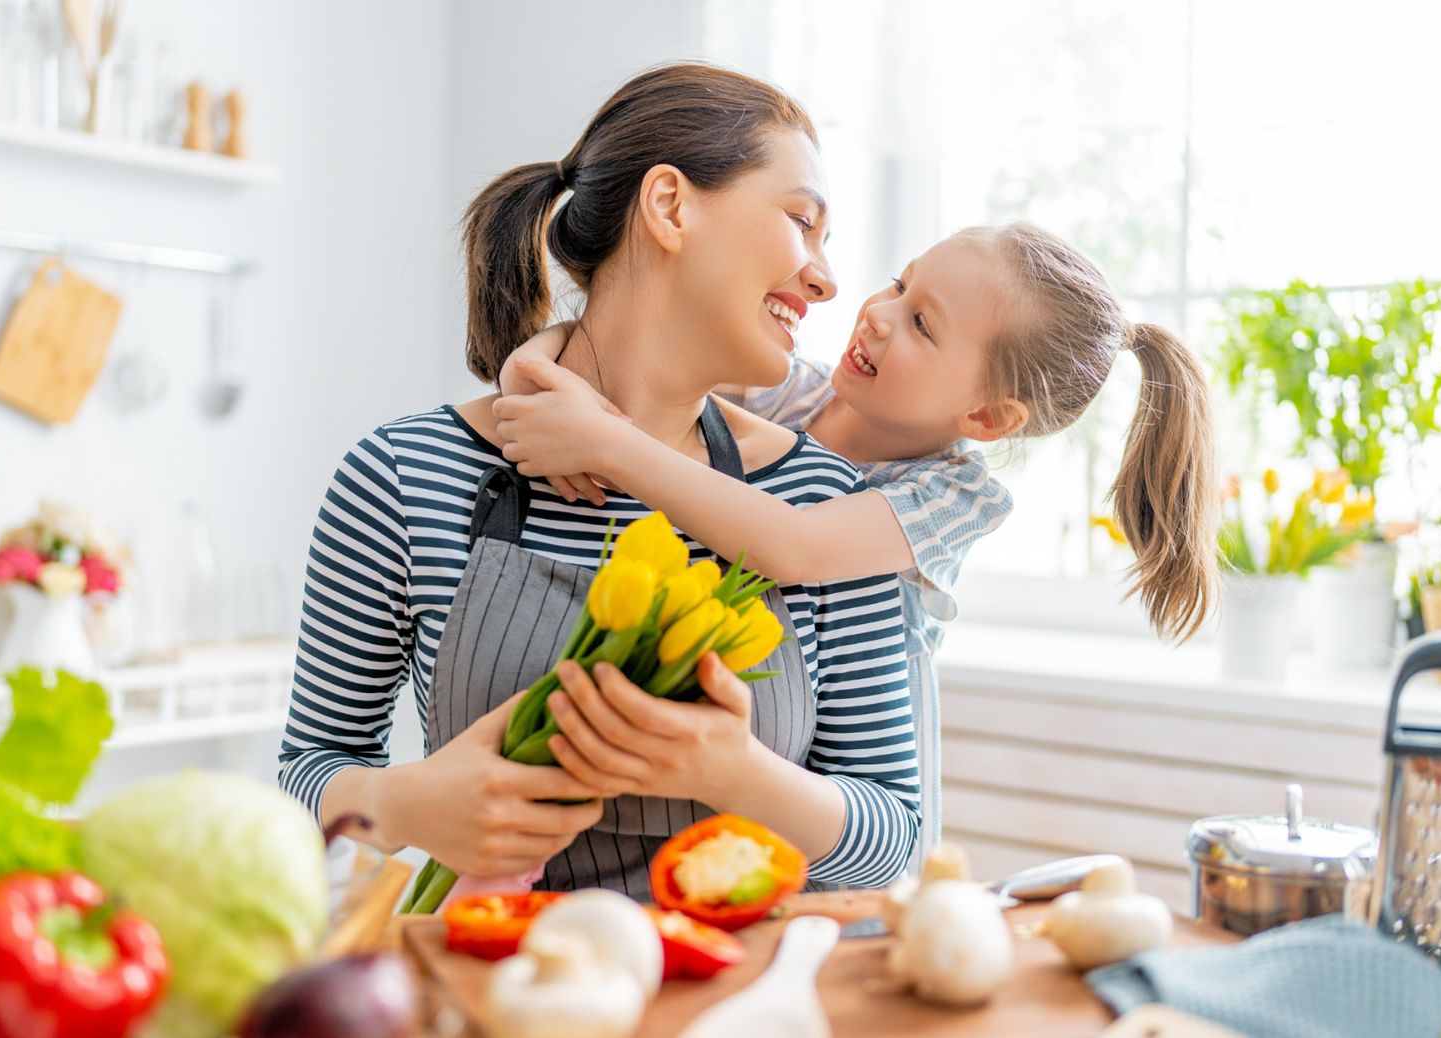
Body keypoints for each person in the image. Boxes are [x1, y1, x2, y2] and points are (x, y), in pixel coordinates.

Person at [277, 64, 920, 899]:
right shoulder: (405, 475)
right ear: (669, 207)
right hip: (497, 995)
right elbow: (308, 773)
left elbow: (893, 838)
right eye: (802, 221)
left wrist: (738, 775)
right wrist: (400, 804)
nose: (826, 278)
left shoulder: (826, 509)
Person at [494, 223, 1220, 850]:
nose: (877, 315)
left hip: (847, 801)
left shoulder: (953, 492)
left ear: (989, 419)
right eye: (898, 286)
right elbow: (638, 355)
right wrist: (536, 360)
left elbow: (794, 549)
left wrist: (608, 444)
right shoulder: (792, 392)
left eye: (922, 324)